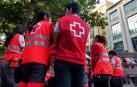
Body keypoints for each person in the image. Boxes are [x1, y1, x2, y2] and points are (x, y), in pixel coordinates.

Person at [52, 2, 90, 87]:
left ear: (70, 10)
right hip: (80, 62)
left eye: (66, 10)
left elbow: (55, 38)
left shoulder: (61, 20)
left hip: (63, 60)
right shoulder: (86, 26)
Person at [19, 10, 52, 87]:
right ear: (45, 17)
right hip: (39, 60)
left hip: (25, 61)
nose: (51, 20)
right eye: (50, 18)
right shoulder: (49, 25)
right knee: (35, 84)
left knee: (23, 83)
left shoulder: (30, 29)